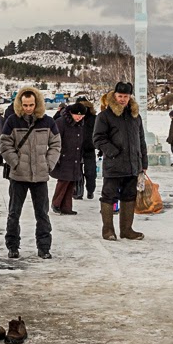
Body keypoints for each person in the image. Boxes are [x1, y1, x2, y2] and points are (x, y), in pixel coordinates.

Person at [0, 86, 61, 259]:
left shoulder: (48, 122)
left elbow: (56, 144)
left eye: (31, 105)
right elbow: (4, 145)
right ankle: (12, 246)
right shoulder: (12, 121)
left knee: (42, 214)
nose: (28, 108)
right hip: (18, 175)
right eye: (25, 105)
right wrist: (15, 162)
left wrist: (48, 164)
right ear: (20, 104)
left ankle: (44, 247)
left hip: (40, 175)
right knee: (14, 213)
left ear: (37, 103)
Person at [92, 81, 148, 241]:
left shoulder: (135, 116)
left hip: (133, 165)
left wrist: (143, 163)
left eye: (126, 96)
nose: (123, 99)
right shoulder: (104, 116)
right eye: (120, 96)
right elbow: (98, 139)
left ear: (130, 97)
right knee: (108, 197)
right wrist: (113, 152)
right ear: (114, 95)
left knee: (129, 196)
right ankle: (108, 230)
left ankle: (127, 230)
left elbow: (141, 141)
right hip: (114, 165)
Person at [51, 102, 87, 215]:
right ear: (71, 113)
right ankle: (56, 203)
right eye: (78, 115)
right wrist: (57, 155)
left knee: (71, 182)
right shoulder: (61, 122)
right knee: (63, 181)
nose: (79, 118)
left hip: (75, 156)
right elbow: (54, 139)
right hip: (63, 156)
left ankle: (66, 206)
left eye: (82, 116)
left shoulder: (80, 123)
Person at [76, 96, 98, 199]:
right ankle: (82, 191)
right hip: (79, 148)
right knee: (86, 172)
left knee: (88, 172)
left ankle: (87, 191)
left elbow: (99, 134)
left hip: (88, 148)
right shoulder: (75, 118)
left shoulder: (93, 118)